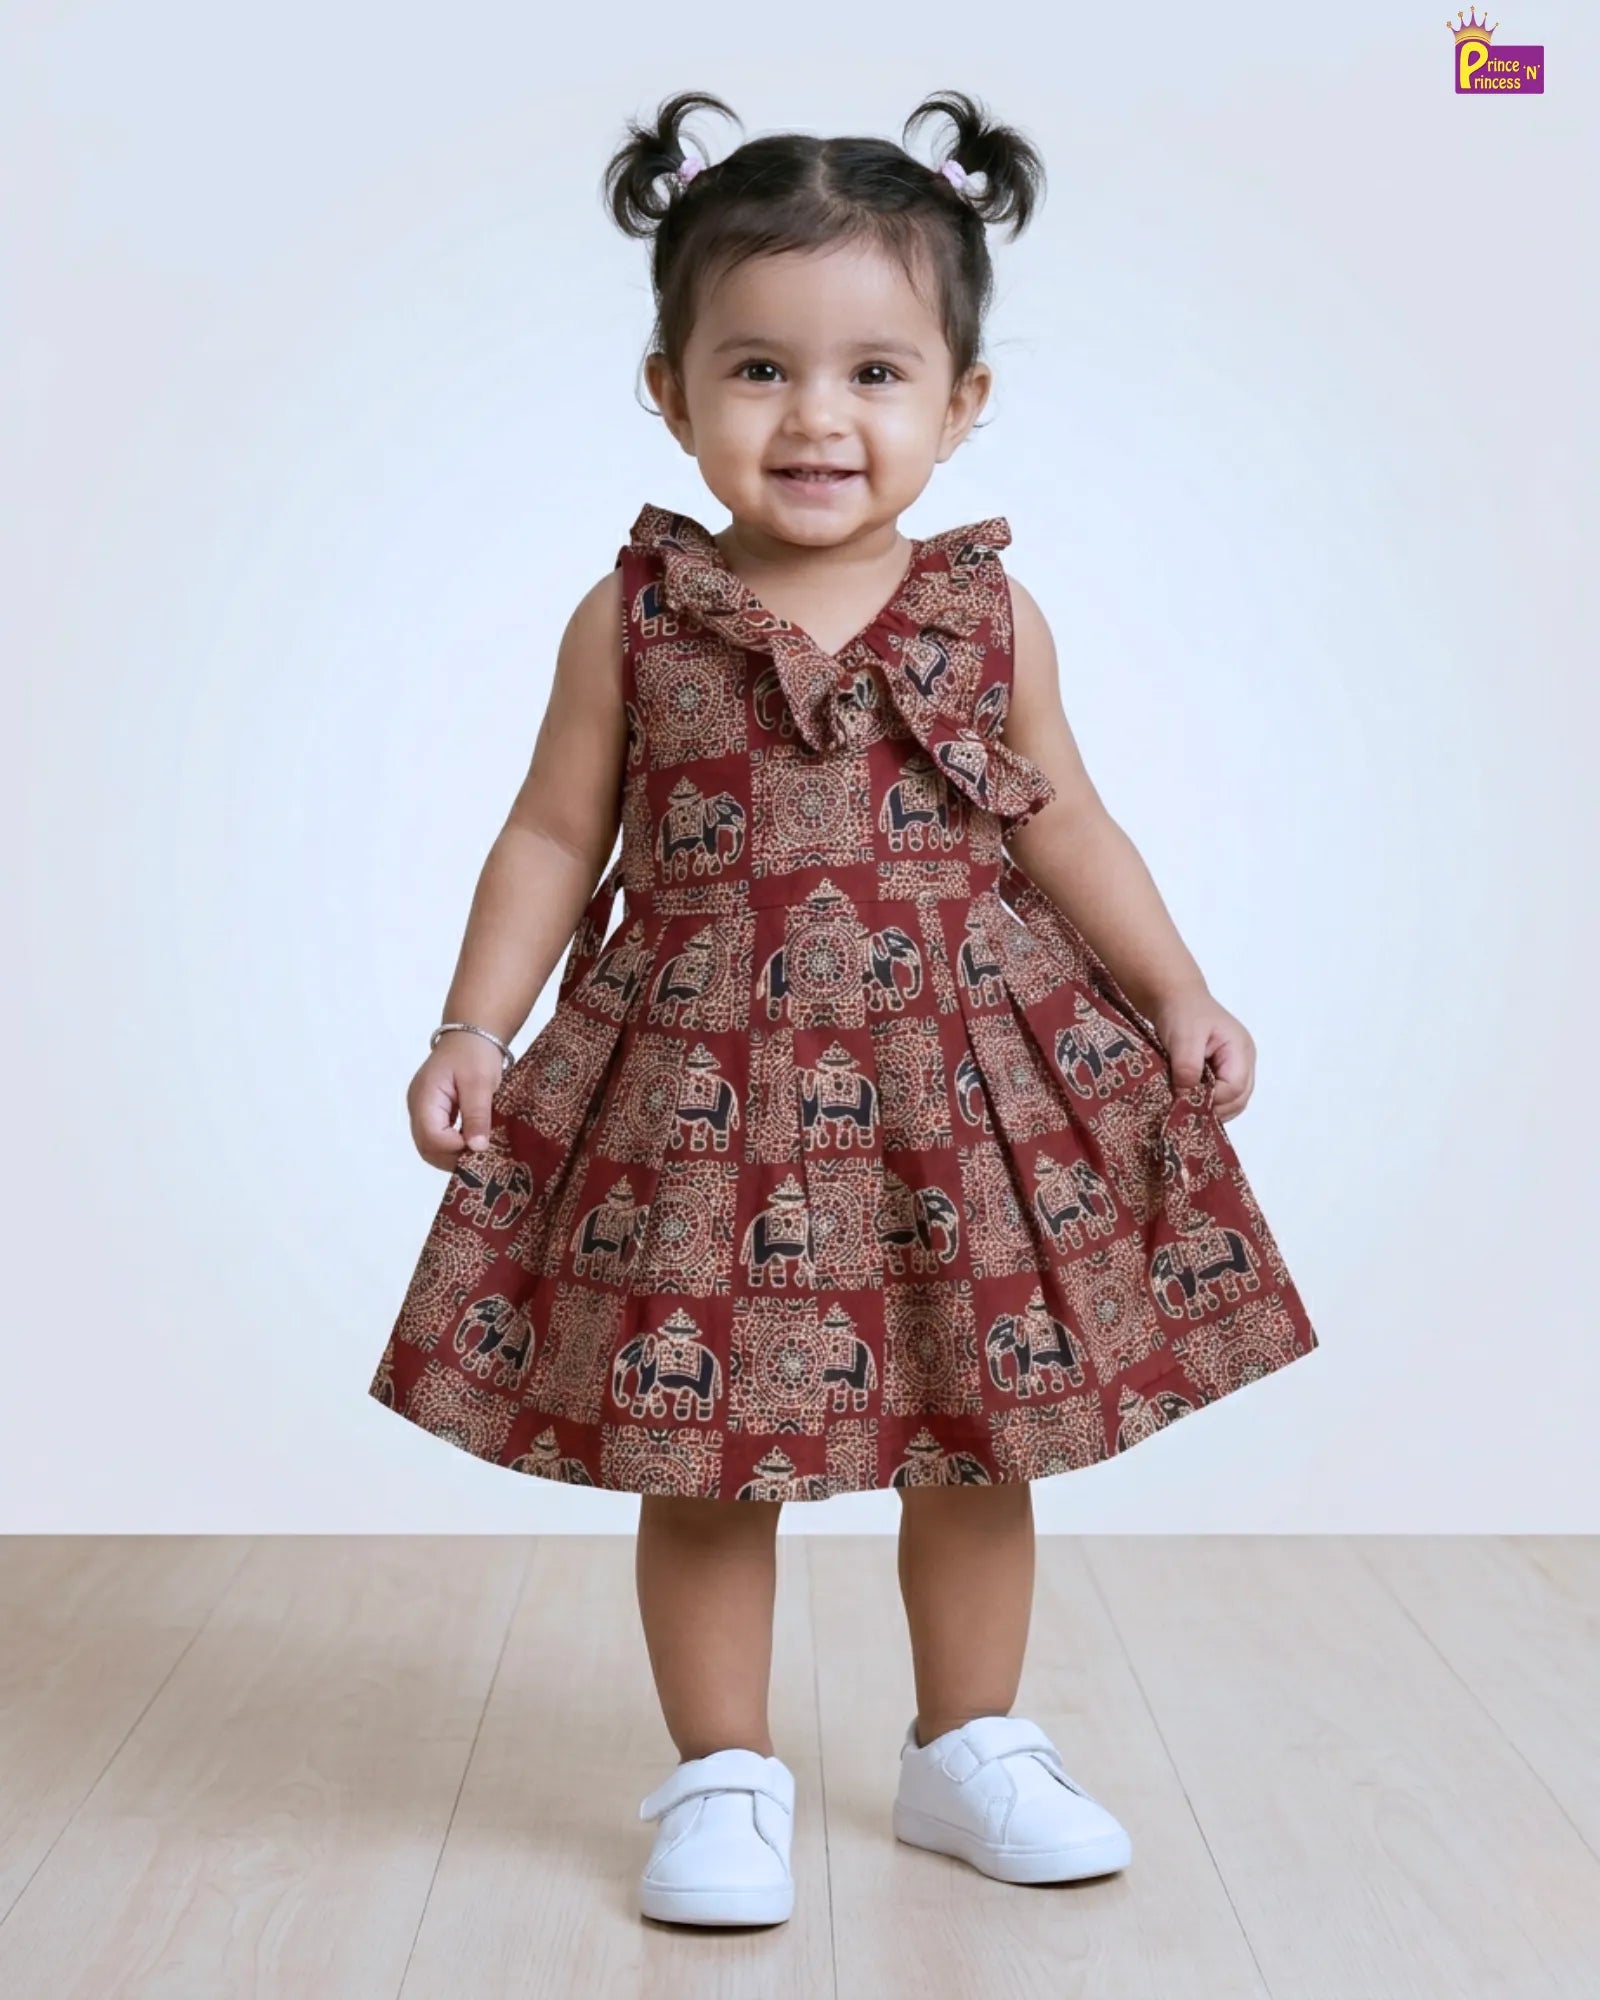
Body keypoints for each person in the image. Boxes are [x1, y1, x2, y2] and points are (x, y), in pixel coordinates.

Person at [366, 87, 1320, 1929]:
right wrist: (474, 1027)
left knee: (984, 1427)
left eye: (878, 373)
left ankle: (972, 1748)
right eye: (759, 371)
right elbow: (558, 831)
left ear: (962, 403)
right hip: (698, 1087)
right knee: (707, 1451)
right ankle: (720, 1775)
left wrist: (1178, 986)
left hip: (955, 1088)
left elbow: (1071, 825)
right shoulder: (634, 614)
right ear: (671, 392)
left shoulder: (992, 616)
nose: (818, 419)